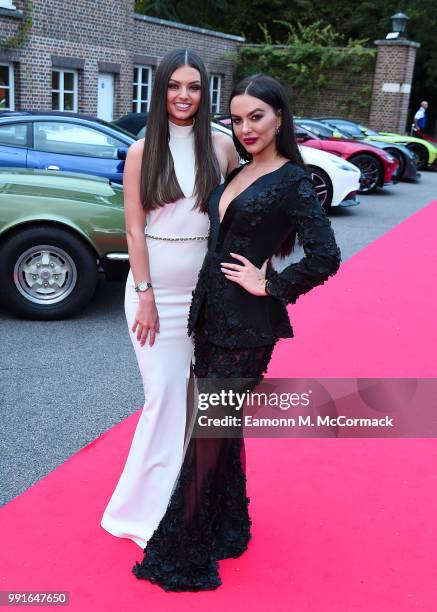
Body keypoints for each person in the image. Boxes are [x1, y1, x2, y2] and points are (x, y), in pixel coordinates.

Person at [132, 74, 342, 591]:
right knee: (222, 428)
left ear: (279, 119)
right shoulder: (243, 170)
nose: (246, 128)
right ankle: (228, 527)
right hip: (209, 320)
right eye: (238, 118)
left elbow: (326, 255)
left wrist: (270, 284)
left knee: (209, 431)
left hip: (248, 329)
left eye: (258, 117)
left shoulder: (292, 178)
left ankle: (184, 549)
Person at [100, 48, 238, 549]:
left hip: (206, 293)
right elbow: (133, 231)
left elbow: (245, 211)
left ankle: (187, 501)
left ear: (205, 92)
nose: (184, 95)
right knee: (163, 397)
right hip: (154, 293)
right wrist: (146, 295)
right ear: (161, 90)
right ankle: (143, 510)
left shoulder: (221, 148)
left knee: (194, 400)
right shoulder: (142, 151)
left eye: (194, 86)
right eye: (175, 86)